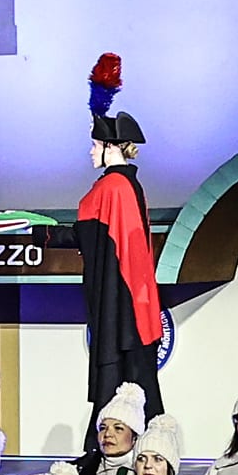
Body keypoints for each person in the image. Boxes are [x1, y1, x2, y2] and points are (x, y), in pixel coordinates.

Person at [76, 52, 165, 441]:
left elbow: (90, 236)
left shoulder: (112, 187)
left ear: (111, 147)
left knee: (124, 395)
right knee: (143, 394)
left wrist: (38, 232)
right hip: (137, 309)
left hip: (123, 313)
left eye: (95, 145)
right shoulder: (131, 185)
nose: (91, 152)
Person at [79, 382, 147, 475]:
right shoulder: (86, 473)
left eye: (118, 428)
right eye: (103, 428)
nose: (108, 434)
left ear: (135, 437)